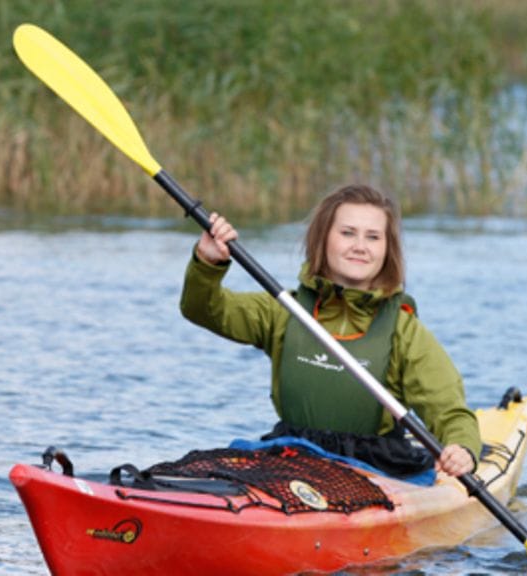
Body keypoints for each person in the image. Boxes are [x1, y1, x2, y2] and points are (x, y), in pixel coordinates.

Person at [180, 184, 480, 478]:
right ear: (323, 239)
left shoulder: (404, 331)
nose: (360, 246)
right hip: (294, 455)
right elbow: (202, 309)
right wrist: (206, 262)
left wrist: (462, 448)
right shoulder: (284, 310)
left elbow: (448, 409)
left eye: (373, 237)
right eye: (347, 233)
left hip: (375, 466)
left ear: (386, 250)